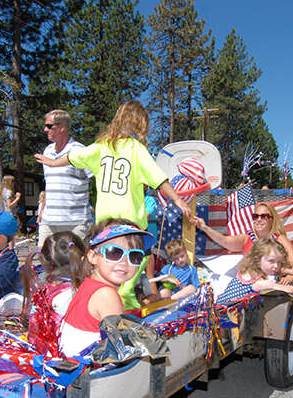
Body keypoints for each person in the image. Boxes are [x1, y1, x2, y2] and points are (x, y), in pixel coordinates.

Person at [35, 101, 191, 309]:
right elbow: (158, 179)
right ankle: (123, 298)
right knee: (139, 257)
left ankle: (106, 297)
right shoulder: (135, 149)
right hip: (128, 222)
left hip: (106, 223)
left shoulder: (101, 147)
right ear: (138, 124)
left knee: (106, 262)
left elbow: (74, 157)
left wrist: (54, 163)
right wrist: (178, 200)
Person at [59, 220, 154, 357]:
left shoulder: (88, 283)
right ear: (92, 257)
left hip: (73, 361)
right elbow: (121, 347)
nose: (124, 262)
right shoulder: (107, 294)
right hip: (89, 370)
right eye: (114, 253)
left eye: (134, 256)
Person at [193, 201, 293, 285]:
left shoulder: (280, 239)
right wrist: (204, 228)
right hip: (248, 285)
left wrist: (289, 278)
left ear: (272, 220)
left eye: (264, 216)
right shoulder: (247, 238)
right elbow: (224, 241)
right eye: (256, 216)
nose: (259, 219)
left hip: (271, 288)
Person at [24, 231, 89, 357]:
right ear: (83, 259)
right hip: (64, 362)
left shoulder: (42, 291)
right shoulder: (77, 294)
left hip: (37, 356)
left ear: (44, 261)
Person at [216, 239, 293, 305]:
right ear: (257, 259)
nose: (276, 266)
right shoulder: (261, 283)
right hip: (224, 316)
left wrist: (289, 271)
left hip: (218, 305)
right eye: (271, 261)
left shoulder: (247, 271)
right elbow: (292, 290)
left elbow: (272, 269)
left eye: (279, 262)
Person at [35, 109, 89, 249]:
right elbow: (49, 185)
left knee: (75, 265)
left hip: (75, 222)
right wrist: (42, 211)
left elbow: (97, 177)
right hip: (49, 221)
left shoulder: (79, 150)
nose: (45, 129)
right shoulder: (47, 151)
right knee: (43, 262)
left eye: (49, 126)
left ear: (62, 127)